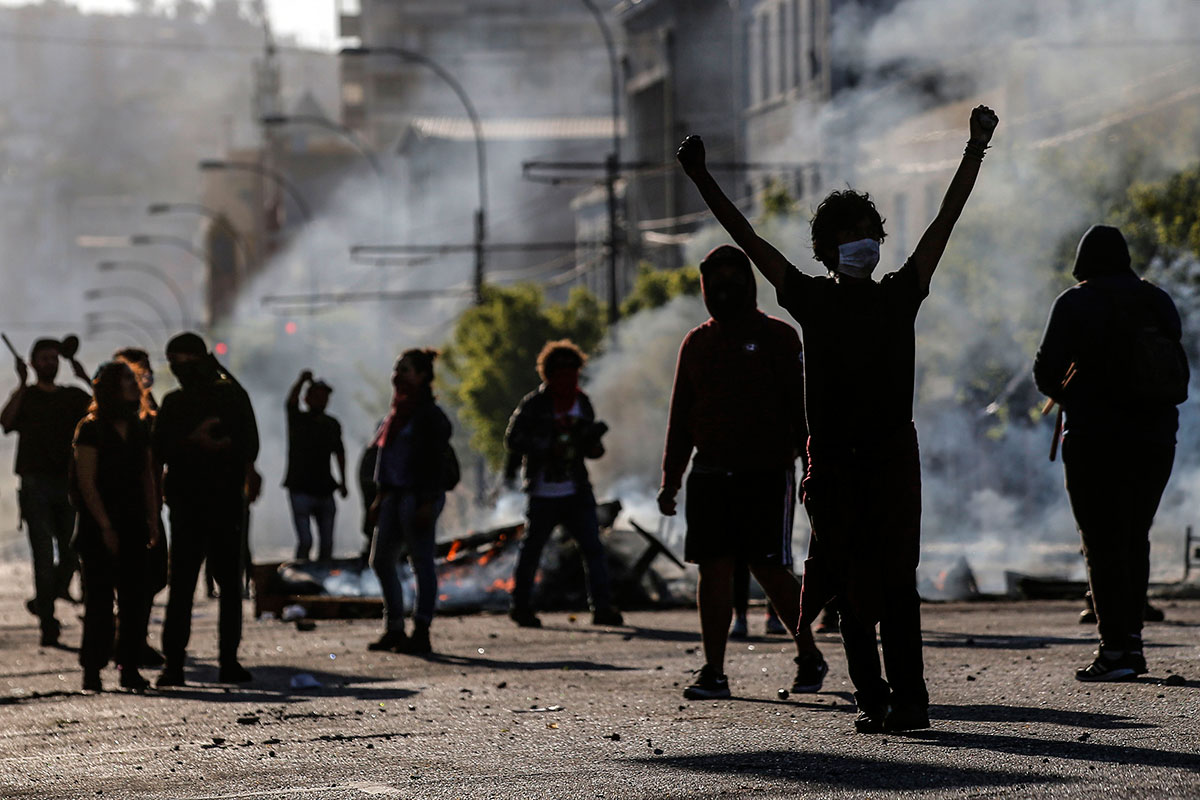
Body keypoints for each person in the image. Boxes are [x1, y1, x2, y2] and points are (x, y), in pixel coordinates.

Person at [676, 105, 999, 732]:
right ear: (826, 249)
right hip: (841, 462)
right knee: (853, 587)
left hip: (885, 459)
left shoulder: (896, 294)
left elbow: (945, 221)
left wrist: (974, 151)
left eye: (871, 231)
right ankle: (876, 697)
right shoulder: (817, 298)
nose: (865, 242)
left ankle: (906, 700)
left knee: (890, 585)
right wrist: (701, 179)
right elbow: (748, 240)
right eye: (852, 234)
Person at [658, 245, 823, 700]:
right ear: (704, 287)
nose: (724, 289)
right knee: (713, 571)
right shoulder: (697, 343)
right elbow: (681, 418)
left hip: (767, 473)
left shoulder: (779, 337)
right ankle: (714, 671)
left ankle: (808, 652)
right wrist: (670, 481)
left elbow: (801, 411)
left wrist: (812, 467)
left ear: (750, 284)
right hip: (710, 474)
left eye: (734, 279)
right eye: (716, 281)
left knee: (770, 569)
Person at [1034, 225, 1187, 682]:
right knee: (1134, 535)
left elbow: (1045, 373)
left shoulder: (1075, 302)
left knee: (1100, 543)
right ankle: (1133, 644)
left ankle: (1115, 650)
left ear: (1084, 263)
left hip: (1094, 440)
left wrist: (1076, 393)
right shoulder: (1157, 299)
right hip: (1156, 439)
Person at [152, 333, 260, 687]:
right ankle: (192, 664)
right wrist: (195, 441)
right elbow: (160, 450)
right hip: (199, 505)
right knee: (198, 587)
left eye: (183, 362)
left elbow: (249, 445)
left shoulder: (219, 399)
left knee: (214, 588)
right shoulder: (207, 399)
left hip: (214, 504)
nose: (179, 370)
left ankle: (199, 664)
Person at [504, 340, 623, 629]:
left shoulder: (582, 403)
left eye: (574, 374)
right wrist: (547, 447)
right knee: (532, 551)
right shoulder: (534, 404)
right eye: (564, 375)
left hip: (576, 490)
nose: (570, 381)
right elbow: (513, 440)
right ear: (549, 375)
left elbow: (591, 447)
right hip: (543, 492)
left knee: (593, 548)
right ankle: (520, 607)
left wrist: (592, 446)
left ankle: (602, 607)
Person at [71, 361, 160, 692]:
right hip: (98, 526)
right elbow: (86, 482)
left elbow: (147, 477)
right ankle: (92, 669)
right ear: (109, 386)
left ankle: (129, 667)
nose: (133, 385)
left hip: (134, 522)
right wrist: (105, 526)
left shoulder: (138, 428)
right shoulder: (90, 428)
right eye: (126, 379)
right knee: (98, 603)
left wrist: (153, 519)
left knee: (135, 601)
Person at [1, 338, 92, 646]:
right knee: (42, 555)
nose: (50, 363)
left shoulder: (72, 396)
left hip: (67, 485)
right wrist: (21, 384)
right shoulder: (27, 397)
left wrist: (83, 375)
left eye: (54, 358)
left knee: (71, 553)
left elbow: (103, 412)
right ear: (32, 363)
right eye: (44, 358)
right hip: (34, 485)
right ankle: (48, 621)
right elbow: (6, 420)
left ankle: (45, 600)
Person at [367, 349, 452, 655]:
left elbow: (436, 464)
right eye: (396, 369)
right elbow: (388, 460)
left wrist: (428, 502)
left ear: (422, 376)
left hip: (419, 496)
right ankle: (394, 629)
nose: (397, 376)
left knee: (421, 562)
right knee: (380, 561)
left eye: (405, 370)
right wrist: (380, 497)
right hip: (395, 495)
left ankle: (422, 630)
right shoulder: (396, 415)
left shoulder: (430, 416)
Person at [112, 348, 167, 668]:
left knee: (155, 575)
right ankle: (127, 643)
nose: (146, 378)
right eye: (139, 374)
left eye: (147, 372)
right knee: (137, 578)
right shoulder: (113, 418)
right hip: (130, 506)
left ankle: (128, 637)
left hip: (151, 503)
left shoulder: (149, 408)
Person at [284, 370, 348, 562]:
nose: (322, 400)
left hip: (324, 489)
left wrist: (343, 482)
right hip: (300, 488)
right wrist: (301, 380)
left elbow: (340, 453)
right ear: (307, 398)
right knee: (306, 541)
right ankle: (299, 578)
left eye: (325, 396)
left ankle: (322, 581)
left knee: (327, 544)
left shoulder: (332, 424)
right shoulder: (298, 419)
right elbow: (290, 402)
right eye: (317, 396)